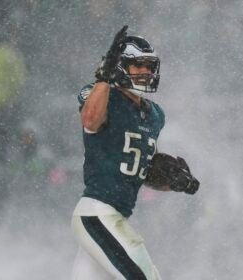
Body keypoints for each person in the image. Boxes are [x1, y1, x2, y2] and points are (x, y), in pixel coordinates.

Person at [71, 26, 199, 280]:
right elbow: (90, 120)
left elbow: (138, 168)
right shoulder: (102, 94)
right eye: (138, 65)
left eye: (149, 66)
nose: (146, 72)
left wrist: (170, 179)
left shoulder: (155, 115)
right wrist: (103, 78)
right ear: (119, 67)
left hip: (114, 216)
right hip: (97, 213)